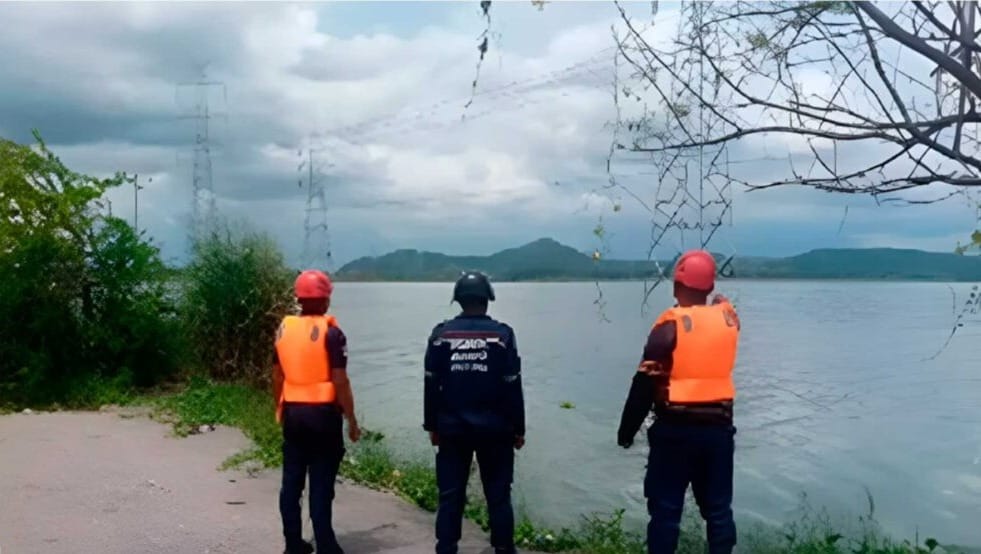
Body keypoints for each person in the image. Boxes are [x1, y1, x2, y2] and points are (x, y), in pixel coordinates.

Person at [617, 250, 741, 554]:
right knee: (718, 511)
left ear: (675, 286)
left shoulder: (668, 327)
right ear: (710, 286)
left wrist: (626, 432)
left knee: (665, 511)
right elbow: (723, 307)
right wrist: (719, 301)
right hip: (718, 431)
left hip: (675, 432)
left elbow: (643, 386)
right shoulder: (729, 319)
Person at [424, 271, 525, 554]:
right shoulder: (502, 336)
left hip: (452, 429)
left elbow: (430, 384)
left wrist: (432, 425)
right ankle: (504, 549)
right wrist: (519, 428)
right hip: (496, 430)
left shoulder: (441, 335)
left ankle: (446, 548)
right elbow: (513, 385)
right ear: (487, 299)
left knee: (450, 495)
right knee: (498, 495)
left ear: (458, 300)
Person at [273, 270, 361, 554]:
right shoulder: (333, 334)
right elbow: (340, 381)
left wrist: (280, 407)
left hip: (293, 414)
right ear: (326, 299)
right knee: (321, 483)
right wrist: (352, 419)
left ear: (298, 298)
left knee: (291, 483)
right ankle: (326, 544)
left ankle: (293, 544)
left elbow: (277, 375)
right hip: (323, 416)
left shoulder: (284, 329)